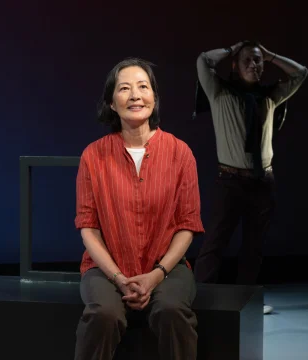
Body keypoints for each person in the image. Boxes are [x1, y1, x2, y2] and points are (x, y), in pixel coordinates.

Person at [73, 57, 204, 360]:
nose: (135, 95)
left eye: (143, 87)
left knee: (172, 311)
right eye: (124, 89)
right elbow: (88, 228)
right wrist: (119, 277)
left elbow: (187, 225)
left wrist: (156, 275)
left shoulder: (180, 152)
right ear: (111, 103)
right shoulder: (93, 155)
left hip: (167, 268)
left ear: (154, 99)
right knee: (103, 315)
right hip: (105, 270)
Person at [192, 40, 308, 315]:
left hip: (263, 181)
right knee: (215, 243)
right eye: (247, 60)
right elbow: (203, 60)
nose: (254, 65)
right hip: (230, 181)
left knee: (254, 246)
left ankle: (247, 300)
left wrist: (272, 55)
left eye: (257, 61)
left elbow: (300, 72)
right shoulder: (220, 92)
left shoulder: (270, 95)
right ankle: (199, 299)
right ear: (235, 65)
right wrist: (233, 49)